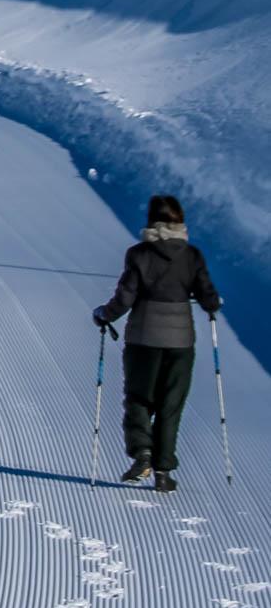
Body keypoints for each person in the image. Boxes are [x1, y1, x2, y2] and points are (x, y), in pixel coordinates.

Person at [93, 194, 220, 493]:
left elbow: (125, 298)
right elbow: (208, 297)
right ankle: (163, 472)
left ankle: (142, 453)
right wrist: (213, 303)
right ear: (180, 221)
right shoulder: (192, 256)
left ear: (151, 220)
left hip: (143, 339)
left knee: (138, 398)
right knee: (170, 405)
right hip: (180, 343)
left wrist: (104, 315)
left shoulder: (138, 254)